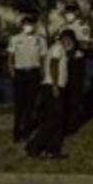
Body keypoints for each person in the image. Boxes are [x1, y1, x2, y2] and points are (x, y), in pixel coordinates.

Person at [26, 31, 73, 160]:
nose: (70, 43)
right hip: (53, 86)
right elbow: (53, 64)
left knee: (58, 120)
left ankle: (53, 150)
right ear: (64, 39)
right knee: (53, 119)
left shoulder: (57, 48)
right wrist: (55, 85)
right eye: (68, 40)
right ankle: (34, 146)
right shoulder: (58, 48)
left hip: (54, 86)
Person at [6, 15, 46, 141]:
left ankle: (27, 131)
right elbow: (10, 57)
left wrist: (43, 72)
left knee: (31, 103)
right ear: (22, 25)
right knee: (19, 104)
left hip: (33, 73)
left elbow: (43, 57)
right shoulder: (15, 39)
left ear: (34, 25)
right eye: (26, 24)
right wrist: (12, 71)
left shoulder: (40, 40)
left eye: (31, 24)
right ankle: (17, 131)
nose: (28, 26)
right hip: (20, 73)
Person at [59, 3, 92, 134]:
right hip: (64, 61)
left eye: (71, 11)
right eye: (67, 12)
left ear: (77, 12)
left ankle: (72, 125)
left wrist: (74, 42)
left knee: (75, 94)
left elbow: (87, 45)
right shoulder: (62, 27)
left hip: (76, 62)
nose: (69, 14)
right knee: (64, 93)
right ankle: (64, 122)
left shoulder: (82, 26)